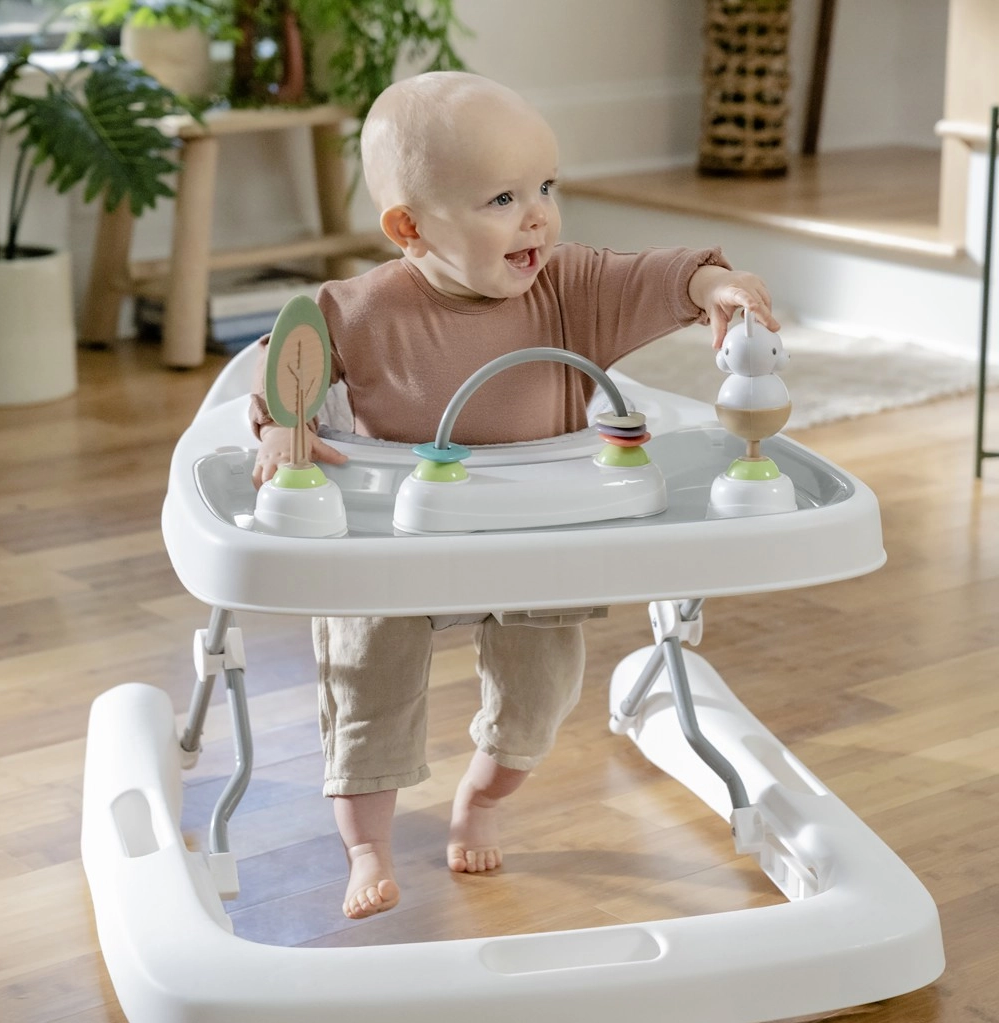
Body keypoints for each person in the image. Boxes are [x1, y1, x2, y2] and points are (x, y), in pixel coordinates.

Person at [249, 71, 779, 920]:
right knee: (365, 680)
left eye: (545, 188)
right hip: (401, 541)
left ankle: (483, 798)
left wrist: (716, 287)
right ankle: (367, 846)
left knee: (541, 691)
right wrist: (284, 428)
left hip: (537, 537)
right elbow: (289, 372)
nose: (537, 217)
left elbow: (659, 276)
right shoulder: (357, 311)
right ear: (409, 228)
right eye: (502, 198)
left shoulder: (568, 287)